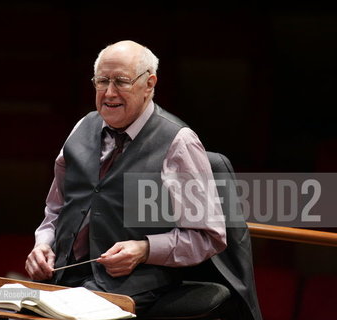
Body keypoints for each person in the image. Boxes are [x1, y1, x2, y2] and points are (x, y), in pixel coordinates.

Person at [25, 40, 227, 314]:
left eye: (121, 81)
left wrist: (145, 249)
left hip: (131, 287)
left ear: (149, 84)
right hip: (63, 279)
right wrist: (43, 245)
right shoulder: (83, 126)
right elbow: (56, 208)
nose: (109, 93)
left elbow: (208, 236)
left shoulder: (178, 142)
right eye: (102, 81)